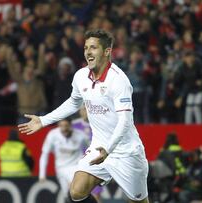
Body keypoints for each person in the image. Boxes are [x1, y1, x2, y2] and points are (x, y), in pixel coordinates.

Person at [19, 29, 149, 203]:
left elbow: (125, 121)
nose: (88, 51)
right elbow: (73, 102)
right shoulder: (81, 76)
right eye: (86, 47)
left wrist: (109, 149)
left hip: (126, 151)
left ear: (107, 51)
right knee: (76, 191)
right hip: (99, 146)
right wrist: (44, 120)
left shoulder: (118, 80)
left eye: (93, 47)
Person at [39, 118, 89, 201]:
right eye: (61, 126)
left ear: (71, 126)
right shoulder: (52, 135)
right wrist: (42, 174)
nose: (64, 128)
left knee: (74, 190)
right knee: (67, 195)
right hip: (60, 168)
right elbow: (45, 154)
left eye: (66, 126)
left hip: (76, 167)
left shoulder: (81, 135)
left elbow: (90, 149)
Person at [72, 105, 103, 202]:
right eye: (84, 109)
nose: (86, 111)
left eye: (88, 109)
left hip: (95, 163)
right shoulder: (74, 126)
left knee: (96, 195)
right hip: (77, 164)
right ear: (80, 111)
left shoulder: (99, 124)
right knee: (78, 194)